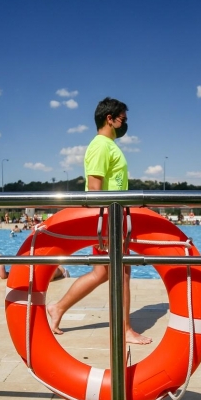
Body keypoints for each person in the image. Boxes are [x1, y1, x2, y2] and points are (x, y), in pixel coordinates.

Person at [47, 97, 152, 345]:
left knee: (103, 273)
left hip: (112, 216)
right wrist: (108, 224)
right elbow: (94, 190)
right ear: (110, 119)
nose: (126, 124)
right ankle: (125, 329)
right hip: (108, 218)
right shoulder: (100, 146)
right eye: (123, 119)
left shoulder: (108, 146)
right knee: (122, 272)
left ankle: (58, 307)